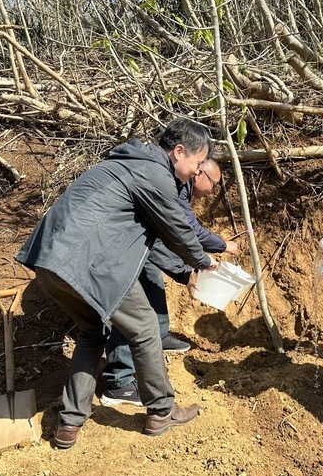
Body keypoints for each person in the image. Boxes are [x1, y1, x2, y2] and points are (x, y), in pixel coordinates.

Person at [16, 118, 218, 449]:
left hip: (50, 263)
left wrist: (184, 270)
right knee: (146, 330)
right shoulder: (154, 174)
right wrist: (203, 260)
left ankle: (68, 424)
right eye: (197, 164)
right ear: (179, 152)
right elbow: (177, 230)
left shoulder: (126, 165)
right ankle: (162, 411)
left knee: (93, 333)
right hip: (91, 266)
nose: (196, 173)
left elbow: (152, 242)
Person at [100, 158, 239, 407]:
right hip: (117, 249)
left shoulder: (177, 183)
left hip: (135, 241)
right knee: (129, 306)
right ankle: (118, 381)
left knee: (151, 276)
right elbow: (182, 231)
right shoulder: (167, 184)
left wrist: (186, 269)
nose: (213, 190)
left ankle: (160, 335)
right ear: (199, 173)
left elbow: (168, 236)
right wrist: (199, 262)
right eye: (214, 183)